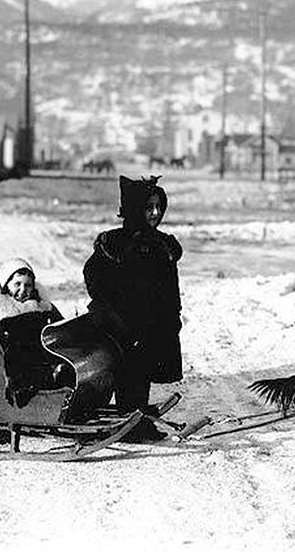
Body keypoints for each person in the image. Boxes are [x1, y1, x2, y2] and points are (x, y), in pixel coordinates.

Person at [83, 176, 183, 442]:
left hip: (152, 323)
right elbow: (93, 277)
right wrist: (113, 309)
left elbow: (170, 287)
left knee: (144, 370)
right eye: (149, 208)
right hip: (119, 324)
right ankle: (128, 421)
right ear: (134, 209)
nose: (155, 213)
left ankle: (137, 418)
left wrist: (173, 316)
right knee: (126, 371)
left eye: (159, 207)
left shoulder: (163, 245)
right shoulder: (114, 243)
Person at [0, 257, 69, 406]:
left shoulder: (40, 304)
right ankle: (33, 384)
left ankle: (55, 376)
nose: (23, 290)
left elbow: (59, 322)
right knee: (21, 357)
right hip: (10, 357)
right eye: (17, 284)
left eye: (28, 285)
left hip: (36, 353)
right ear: (6, 284)